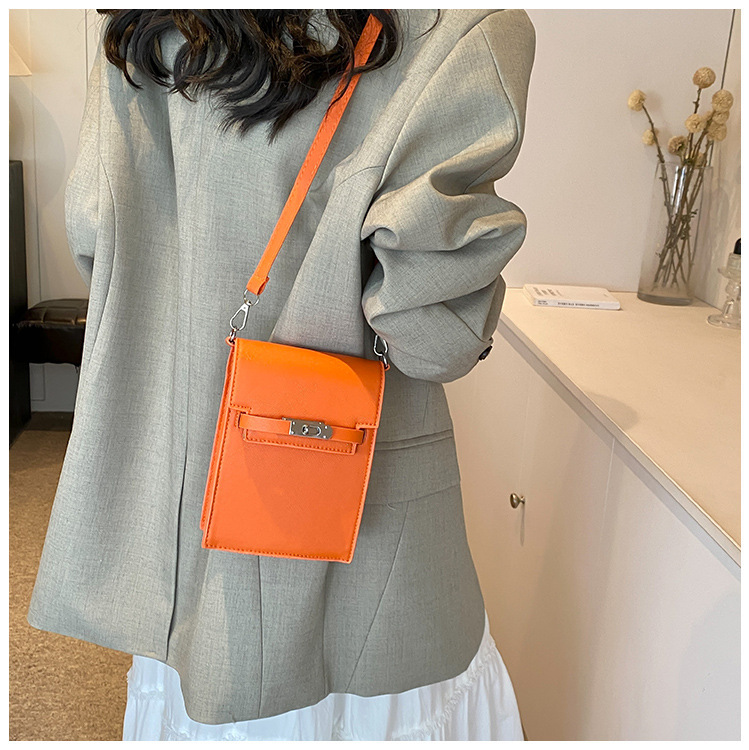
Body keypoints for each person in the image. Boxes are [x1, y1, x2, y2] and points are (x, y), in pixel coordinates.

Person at [27, 8, 536, 741]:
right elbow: (432, 340)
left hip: (182, 528)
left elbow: (95, 238)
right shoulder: (458, 32)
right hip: (359, 555)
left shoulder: (148, 31)